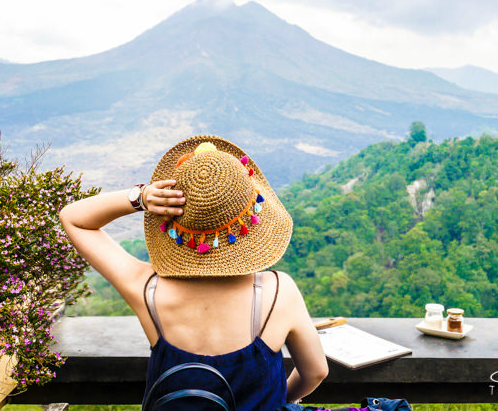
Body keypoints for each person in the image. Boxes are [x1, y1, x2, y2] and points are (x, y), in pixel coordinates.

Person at [59, 135, 328, 410]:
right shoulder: (278, 293)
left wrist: (141, 197)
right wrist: (282, 400)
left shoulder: (147, 291)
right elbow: (316, 371)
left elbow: (74, 219)